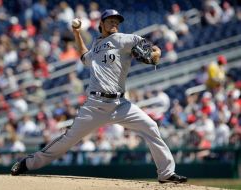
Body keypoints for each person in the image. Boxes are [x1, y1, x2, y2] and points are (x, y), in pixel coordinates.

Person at [10, 9, 187, 183]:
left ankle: (166, 173)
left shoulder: (125, 39)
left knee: (150, 127)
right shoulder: (96, 45)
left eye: (117, 21)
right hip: (95, 105)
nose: (115, 23)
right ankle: (28, 163)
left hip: (120, 104)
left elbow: (151, 52)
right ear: (101, 24)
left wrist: (156, 52)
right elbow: (83, 57)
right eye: (110, 20)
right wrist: (77, 33)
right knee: (67, 140)